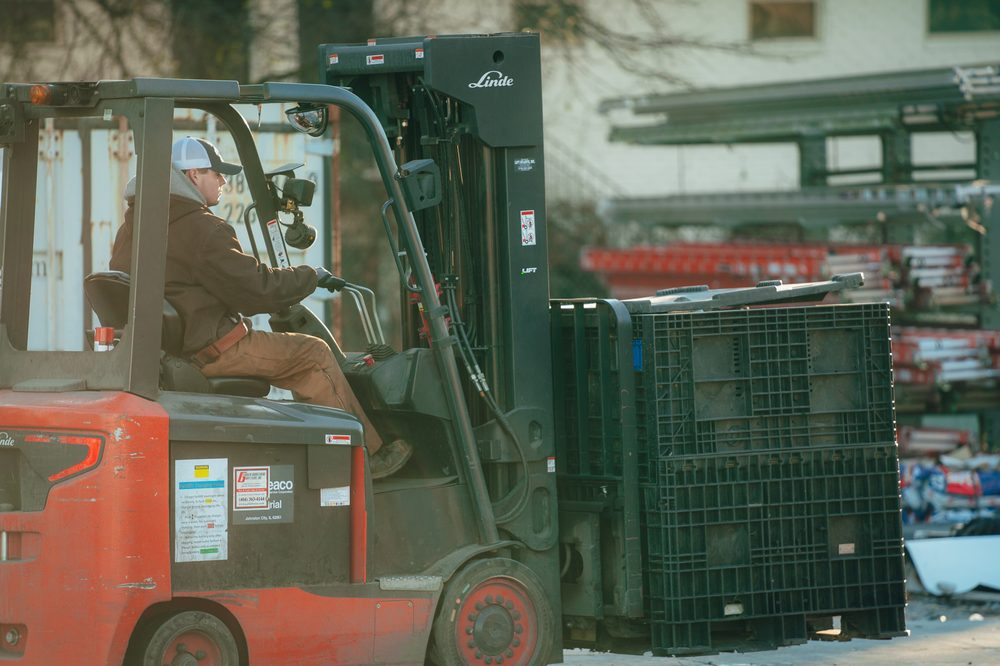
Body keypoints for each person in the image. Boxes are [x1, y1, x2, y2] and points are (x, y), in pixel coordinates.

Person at [110, 136, 412, 478]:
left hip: (170, 351)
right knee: (313, 354)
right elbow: (255, 290)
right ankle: (367, 459)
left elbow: (196, 283)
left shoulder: (134, 228)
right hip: (214, 349)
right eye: (217, 173)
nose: (224, 181)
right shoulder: (201, 228)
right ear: (193, 174)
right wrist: (309, 277)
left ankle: (324, 453)